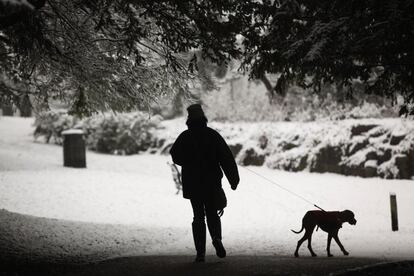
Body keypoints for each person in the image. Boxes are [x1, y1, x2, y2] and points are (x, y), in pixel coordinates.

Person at [170, 104, 240, 262]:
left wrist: (188, 161)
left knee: (198, 216)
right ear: (203, 118)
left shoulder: (185, 137)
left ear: (189, 119)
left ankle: (200, 252)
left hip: (193, 184)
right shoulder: (212, 135)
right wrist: (233, 180)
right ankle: (216, 238)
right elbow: (226, 157)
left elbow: (175, 155)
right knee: (212, 213)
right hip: (211, 183)